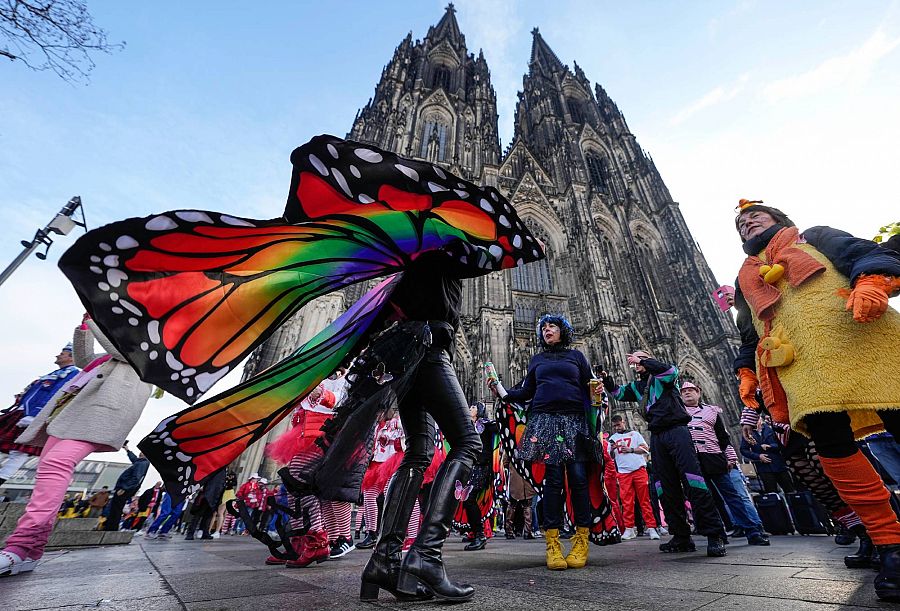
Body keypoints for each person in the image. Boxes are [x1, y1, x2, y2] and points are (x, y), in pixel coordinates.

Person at [732, 199, 900, 601]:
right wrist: (748, 373)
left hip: (865, 345)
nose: (747, 222)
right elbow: (751, 333)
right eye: (740, 223)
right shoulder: (746, 280)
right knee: (833, 449)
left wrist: (873, 282)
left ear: (779, 220)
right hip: (806, 369)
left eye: (756, 216)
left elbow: (868, 254)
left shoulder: (816, 237)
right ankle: (890, 542)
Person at [357, 251, 484, 603]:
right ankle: (426, 555)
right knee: (467, 442)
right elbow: (478, 259)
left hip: (401, 349)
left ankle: (383, 561)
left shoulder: (406, 247)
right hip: (428, 346)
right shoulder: (441, 243)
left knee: (418, 452)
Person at [0, 315, 153, 576]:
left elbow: (120, 348)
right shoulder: (112, 355)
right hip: (67, 414)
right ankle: (31, 551)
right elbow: (84, 359)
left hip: (99, 415)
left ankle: (19, 546)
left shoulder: (151, 347)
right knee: (48, 469)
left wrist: (97, 317)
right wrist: (85, 326)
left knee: (57, 463)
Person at [491, 314, 595, 571]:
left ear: (563, 331)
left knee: (579, 479)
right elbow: (526, 392)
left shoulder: (577, 357)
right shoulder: (537, 360)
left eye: (552, 326)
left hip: (573, 421)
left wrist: (602, 388)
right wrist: (501, 391)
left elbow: (590, 384)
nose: (547, 330)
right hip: (545, 421)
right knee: (553, 483)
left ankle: (581, 541)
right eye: (544, 328)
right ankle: (553, 543)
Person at [602, 351, 727, 557]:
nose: (637, 363)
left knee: (694, 480)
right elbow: (619, 393)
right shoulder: (640, 386)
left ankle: (714, 534)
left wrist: (643, 359)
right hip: (658, 435)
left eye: (641, 358)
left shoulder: (663, 377)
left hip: (677, 431)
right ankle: (681, 536)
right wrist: (607, 380)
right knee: (664, 486)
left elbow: (670, 371)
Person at [680, 381, 769, 546]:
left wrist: (730, 458)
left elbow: (724, 438)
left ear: (698, 393)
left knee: (732, 497)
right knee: (703, 500)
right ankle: (717, 534)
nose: (687, 393)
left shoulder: (711, 412)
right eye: (684, 391)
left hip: (714, 459)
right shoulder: (677, 414)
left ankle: (752, 531)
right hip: (693, 463)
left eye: (691, 390)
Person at [0, 344, 79, 485]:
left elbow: (56, 394)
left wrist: (35, 414)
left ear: (72, 358)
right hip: (21, 411)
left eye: (63, 353)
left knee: (19, 451)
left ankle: (2, 477)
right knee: (15, 448)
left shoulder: (71, 374)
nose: (58, 355)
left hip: (31, 414)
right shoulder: (56, 373)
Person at [608, 414, 659, 541]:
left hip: (639, 470)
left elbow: (646, 449)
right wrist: (612, 450)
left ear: (623, 422)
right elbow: (611, 458)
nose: (617, 428)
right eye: (614, 426)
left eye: (618, 425)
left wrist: (630, 450)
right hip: (623, 472)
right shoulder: (612, 438)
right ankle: (629, 529)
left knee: (644, 500)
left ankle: (652, 528)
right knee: (626, 502)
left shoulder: (635, 434)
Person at [460, 401, 499, 551]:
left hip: (482, 466)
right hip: (471, 466)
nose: (470, 409)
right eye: (470, 407)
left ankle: (479, 535)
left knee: (469, 499)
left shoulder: (487, 425)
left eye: (474, 407)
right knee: (467, 500)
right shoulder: (469, 425)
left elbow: (499, 427)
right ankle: (476, 533)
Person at [740, 416, 794, 494]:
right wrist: (758, 456)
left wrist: (771, 446)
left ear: (760, 419)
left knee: (790, 491)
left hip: (779, 465)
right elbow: (743, 450)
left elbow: (782, 443)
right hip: (764, 469)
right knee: (772, 494)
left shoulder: (771, 428)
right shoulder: (748, 433)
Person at [104, 443, 150, 531]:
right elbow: (134, 459)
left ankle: (111, 528)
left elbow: (136, 478)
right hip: (124, 488)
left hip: (124, 489)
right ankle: (110, 526)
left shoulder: (142, 464)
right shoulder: (140, 462)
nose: (140, 453)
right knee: (115, 507)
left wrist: (124, 488)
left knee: (116, 508)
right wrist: (127, 450)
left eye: (143, 452)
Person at [503, 451, 536, 540]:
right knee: (527, 505)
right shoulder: (529, 443)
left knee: (512, 505)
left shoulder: (511, 445)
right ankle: (527, 532)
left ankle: (509, 531)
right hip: (528, 479)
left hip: (515, 478)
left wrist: (511, 468)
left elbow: (505, 462)